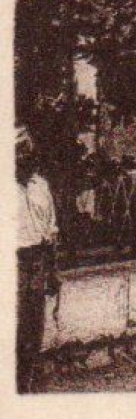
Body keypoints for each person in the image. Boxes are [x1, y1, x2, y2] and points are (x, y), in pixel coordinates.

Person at [16, 127, 60, 393]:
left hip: (37, 260)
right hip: (12, 262)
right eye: (18, 151)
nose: (24, 156)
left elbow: (51, 231)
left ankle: (26, 384)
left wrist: (53, 271)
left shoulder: (41, 186)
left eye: (27, 150)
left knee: (34, 327)